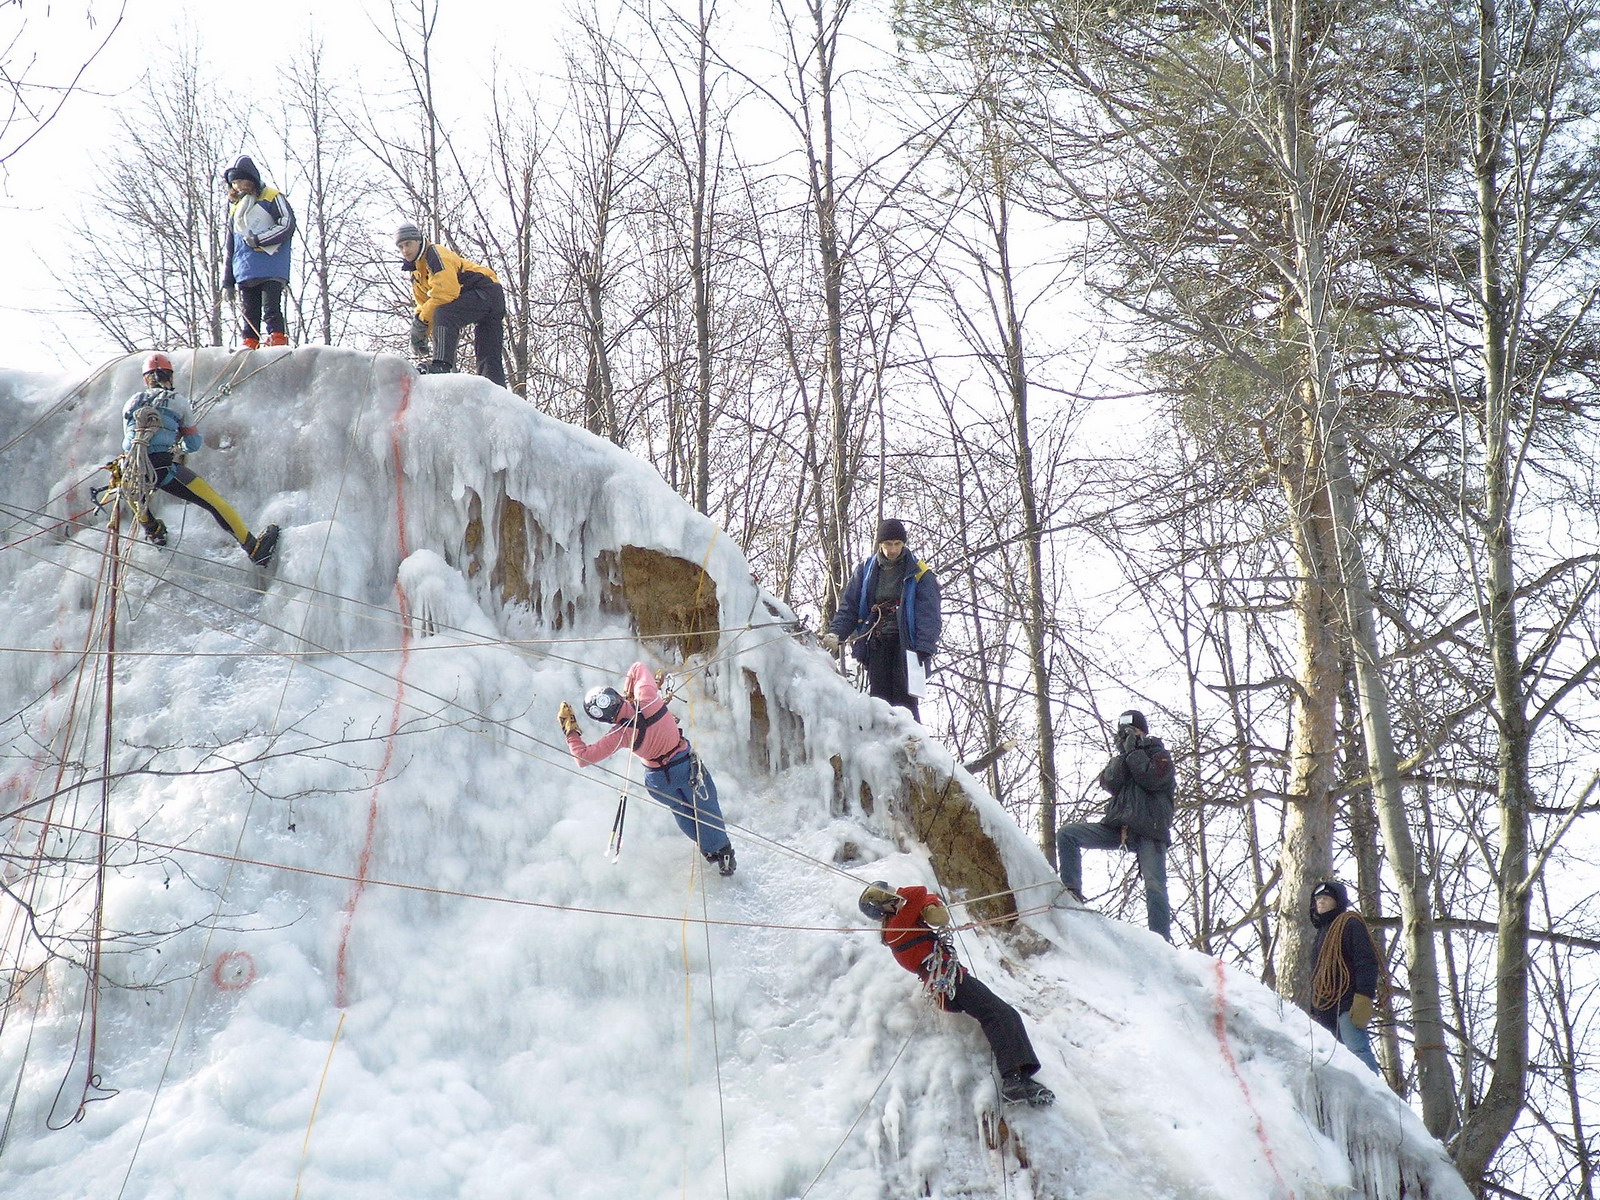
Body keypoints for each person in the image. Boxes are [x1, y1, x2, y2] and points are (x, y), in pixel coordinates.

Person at [859, 881, 1054, 1107]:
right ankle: (1013, 1081)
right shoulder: (895, 927)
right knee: (999, 1014)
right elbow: (919, 892)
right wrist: (919, 899)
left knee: (1001, 1014)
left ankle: (1019, 1077)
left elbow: (921, 900)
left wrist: (927, 905)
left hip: (948, 981)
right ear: (883, 906)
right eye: (889, 895)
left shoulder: (900, 925)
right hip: (948, 982)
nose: (895, 895)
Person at [559, 662, 735, 875]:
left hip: (658, 782)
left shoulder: (621, 734)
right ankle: (723, 854)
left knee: (683, 812)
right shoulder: (649, 696)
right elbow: (637, 667)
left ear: (605, 719)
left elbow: (582, 757)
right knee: (706, 808)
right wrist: (631, 692)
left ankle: (708, 851)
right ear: (616, 696)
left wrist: (571, 730)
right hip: (683, 766)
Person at [118, 352, 278, 565]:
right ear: (169, 376)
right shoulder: (178, 401)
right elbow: (193, 444)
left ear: (146, 378)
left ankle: (154, 530)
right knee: (214, 502)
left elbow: (130, 441)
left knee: (135, 494)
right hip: (162, 467)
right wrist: (179, 447)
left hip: (130, 468)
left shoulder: (131, 403)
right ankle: (254, 549)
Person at [1056, 709, 1175, 942]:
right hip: (1118, 828)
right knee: (1068, 834)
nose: (1126, 736)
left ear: (1143, 732)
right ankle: (1071, 893)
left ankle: (1161, 940)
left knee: (1155, 885)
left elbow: (1151, 779)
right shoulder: (1124, 759)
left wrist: (1135, 751)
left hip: (1150, 831)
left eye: (1131, 731)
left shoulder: (1160, 756)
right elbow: (1109, 782)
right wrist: (1123, 754)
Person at [821, 518, 941, 721]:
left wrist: (924, 648)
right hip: (876, 640)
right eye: (887, 544)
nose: (892, 550)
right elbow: (850, 607)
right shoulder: (866, 570)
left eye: (897, 544)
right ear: (880, 544)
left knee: (906, 701)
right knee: (879, 699)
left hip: (908, 646)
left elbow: (929, 616)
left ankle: (911, 743)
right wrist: (836, 633)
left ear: (903, 544)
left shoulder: (920, 574)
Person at [396, 222, 507, 386]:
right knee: (488, 356)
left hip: (487, 291)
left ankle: (441, 365)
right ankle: (496, 392)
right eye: (401, 246)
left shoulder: (434, 254)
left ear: (419, 241)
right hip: (483, 299)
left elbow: (446, 293)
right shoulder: (416, 272)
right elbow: (424, 304)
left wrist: (421, 323)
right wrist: (420, 330)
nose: (405, 250)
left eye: (408, 244)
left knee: (445, 313)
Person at [1308, 880, 1382, 1075]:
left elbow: (1365, 961)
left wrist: (1364, 996)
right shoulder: (1320, 935)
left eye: (1326, 898)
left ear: (1337, 901)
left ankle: (1375, 1097)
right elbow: (1316, 974)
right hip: (1325, 1008)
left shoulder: (1349, 924)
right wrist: (1313, 1008)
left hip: (1347, 1002)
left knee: (1356, 1050)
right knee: (1333, 1060)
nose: (1321, 902)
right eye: (1318, 899)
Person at [221, 156, 295, 349]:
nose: (237, 186)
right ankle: (250, 342)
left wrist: (261, 240)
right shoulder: (235, 210)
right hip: (245, 269)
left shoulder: (271, 197)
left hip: (271, 263)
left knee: (271, 307)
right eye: (234, 183)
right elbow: (231, 247)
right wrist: (228, 282)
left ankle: (277, 337)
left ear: (251, 179)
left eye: (240, 181)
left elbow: (286, 224)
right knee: (249, 310)